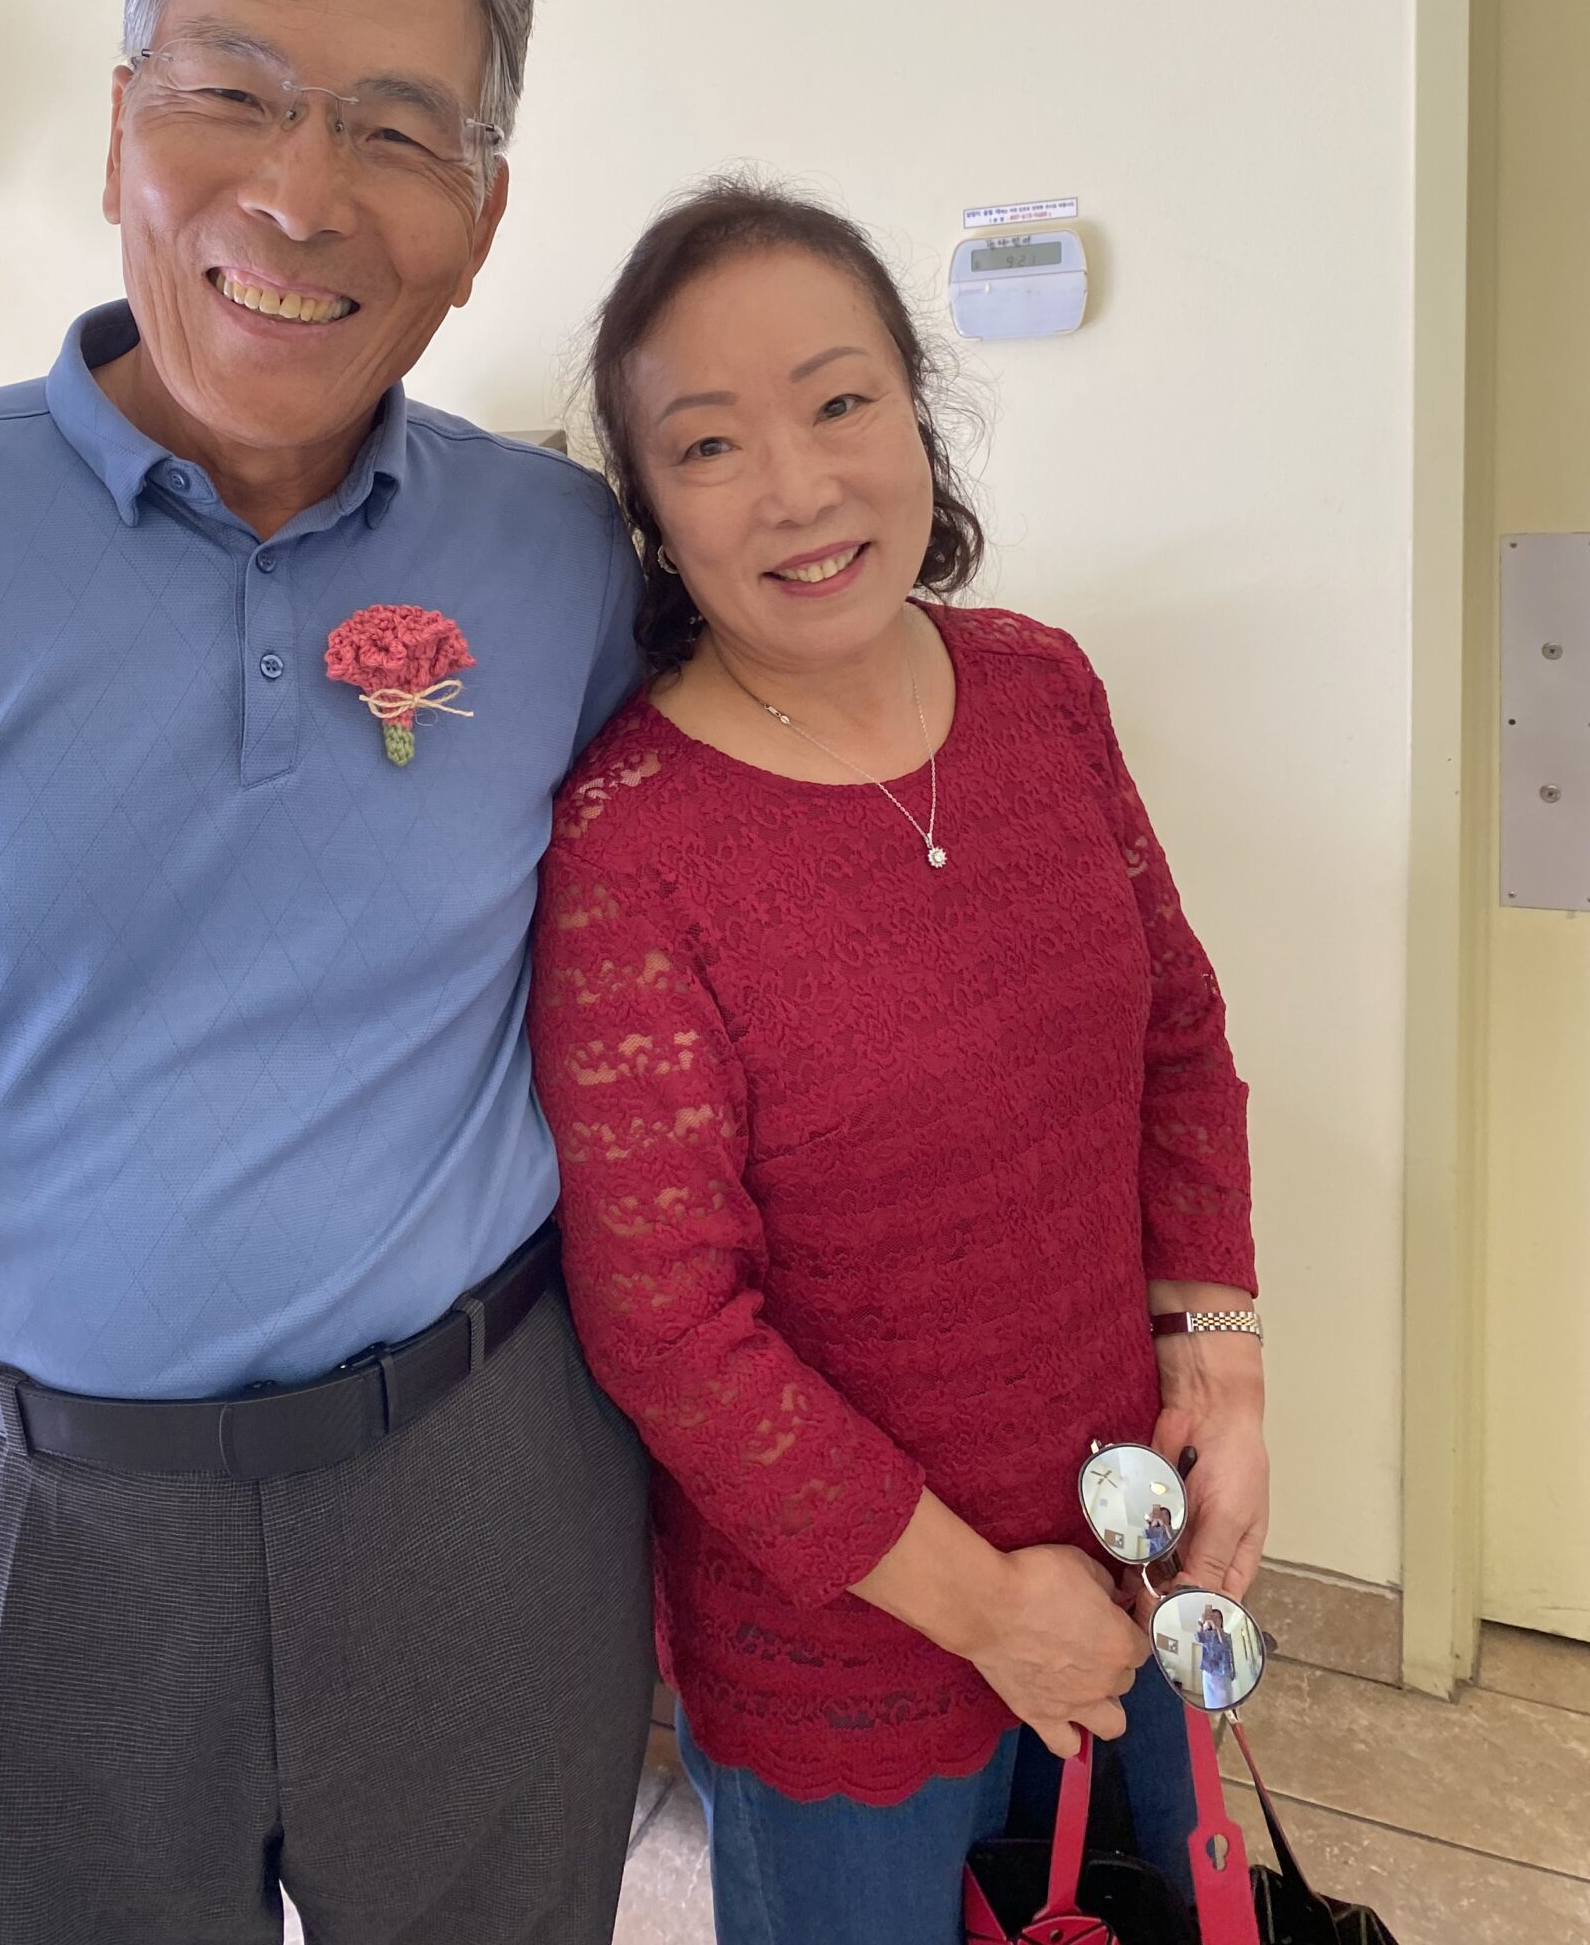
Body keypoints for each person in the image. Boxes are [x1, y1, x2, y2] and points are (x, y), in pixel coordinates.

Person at [0, 0, 654, 1945]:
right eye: (234, 92)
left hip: (482, 1489)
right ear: (121, 123)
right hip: (29, 1528)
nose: (300, 191)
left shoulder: (560, 556)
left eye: (397, 128)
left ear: (480, 217)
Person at [527, 178, 1269, 1945]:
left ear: (918, 415)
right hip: (847, 1655)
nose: (798, 489)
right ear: (653, 515)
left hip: (1133, 1550)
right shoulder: (632, 843)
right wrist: (986, 1610)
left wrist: (1223, 1366)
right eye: (711, 446)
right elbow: (672, 1331)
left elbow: (1176, 1038)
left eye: (841, 402)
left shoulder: (1040, 691)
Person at [1198, 1604, 1241, 1711]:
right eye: (1213, 1617)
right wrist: (1200, 1623)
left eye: (1218, 1617)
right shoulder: (1207, 1634)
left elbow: (1224, 1645)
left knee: (1226, 1701)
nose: (1215, 1619)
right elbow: (1198, 1638)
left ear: (1222, 1620)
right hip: (1209, 1671)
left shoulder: (1226, 1635)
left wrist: (1216, 1628)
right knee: (1211, 1702)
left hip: (1223, 1671)